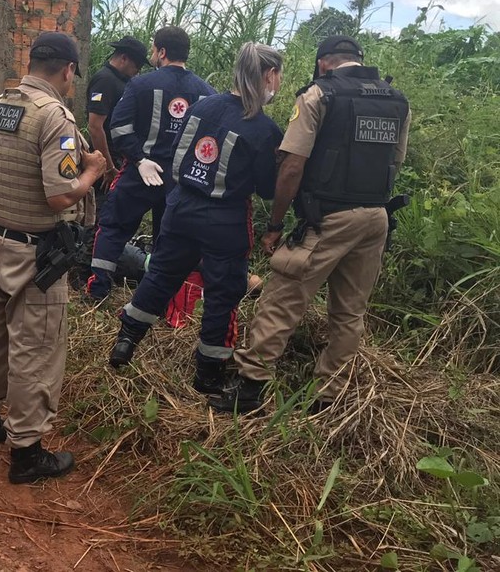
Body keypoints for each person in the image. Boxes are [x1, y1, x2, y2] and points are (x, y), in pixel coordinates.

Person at [210, 36, 411, 415]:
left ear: (323, 64)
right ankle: (328, 396)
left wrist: (275, 223)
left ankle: (250, 387)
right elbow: (395, 162)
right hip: (375, 218)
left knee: (281, 299)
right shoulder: (397, 100)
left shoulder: (320, 95)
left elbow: (292, 166)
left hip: (327, 219)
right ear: (359, 60)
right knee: (350, 311)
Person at [108, 43, 285, 394]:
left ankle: (125, 341)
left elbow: (178, 153)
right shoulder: (264, 128)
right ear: (268, 75)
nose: (277, 82)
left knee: (160, 276)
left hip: (180, 207)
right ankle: (208, 375)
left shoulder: (203, 107)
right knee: (224, 292)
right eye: (277, 75)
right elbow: (267, 188)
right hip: (225, 220)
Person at [0, 31, 105, 484]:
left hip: (1, 243)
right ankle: (26, 451)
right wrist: (92, 172)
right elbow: (60, 197)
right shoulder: (56, 118)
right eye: (72, 76)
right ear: (67, 70)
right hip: (38, 256)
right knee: (36, 349)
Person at [86, 26, 216, 300]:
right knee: (169, 239)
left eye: (154, 49)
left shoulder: (140, 84)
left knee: (112, 227)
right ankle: (158, 298)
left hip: (140, 172)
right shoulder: (206, 92)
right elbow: (210, 141)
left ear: (163, 51)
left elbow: (119, 127)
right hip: (180, 181)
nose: (153, 55)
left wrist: (139, 158)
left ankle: (98, 289)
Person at [85, 35, 150, 208]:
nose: (138, 71)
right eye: (137, 65)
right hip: (108, 160)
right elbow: (95, 126)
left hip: (119, 159)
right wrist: (107, 167)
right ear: (124, 58)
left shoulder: (123, 81)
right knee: (102, 211)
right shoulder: (105, 80)